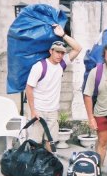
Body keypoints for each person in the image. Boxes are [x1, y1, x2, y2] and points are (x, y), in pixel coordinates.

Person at [25, 24, 82, 152]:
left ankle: (48, 166)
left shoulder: (62, 64)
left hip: (52, 110)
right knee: (35, 142)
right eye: (57, 52)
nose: (60, 55)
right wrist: (33, 111)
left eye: (62, 53)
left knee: (50, 141)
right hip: (38, 109)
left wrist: (63, 35)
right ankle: (32, 168)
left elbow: (78, 48)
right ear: (51, 51)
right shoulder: (39, 66)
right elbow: (29, 89)